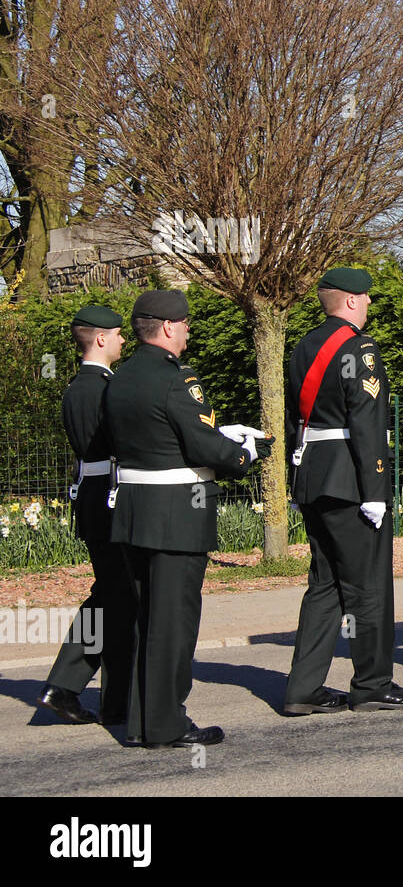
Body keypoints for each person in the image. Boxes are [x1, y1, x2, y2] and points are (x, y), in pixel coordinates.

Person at [105, 290, 265, 747]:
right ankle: (166, 723)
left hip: (135, 509)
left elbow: (157, 434)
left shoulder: (121, 376)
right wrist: (244, 453)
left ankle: (140, 722)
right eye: (187, 324)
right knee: (173, 622)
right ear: (170, 327)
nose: (190, 331)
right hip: (177, 511)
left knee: (147, 619)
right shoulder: (178, 378)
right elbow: (200, 445)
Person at [284, 268, 403, 714]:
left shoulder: (303, 346)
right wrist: (376, 488)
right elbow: (367, 423)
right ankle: (373, 683)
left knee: (324, 585)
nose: (368, 305)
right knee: (368, 586)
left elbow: (295, 420)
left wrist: (295, 475)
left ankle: (303, 688)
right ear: (349, 301)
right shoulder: (359, 348)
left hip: (314, 476)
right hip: (349, 480)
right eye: (364, 298)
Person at [37, 306, 134, 727]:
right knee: (119, 594)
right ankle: (67, 685)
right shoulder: (106, 388)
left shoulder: (77, 385)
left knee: (114, 594)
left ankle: (110, 698)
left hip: (91, 493)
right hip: (112, 495)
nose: (123, 341)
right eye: (117, 334)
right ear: (99, 339)